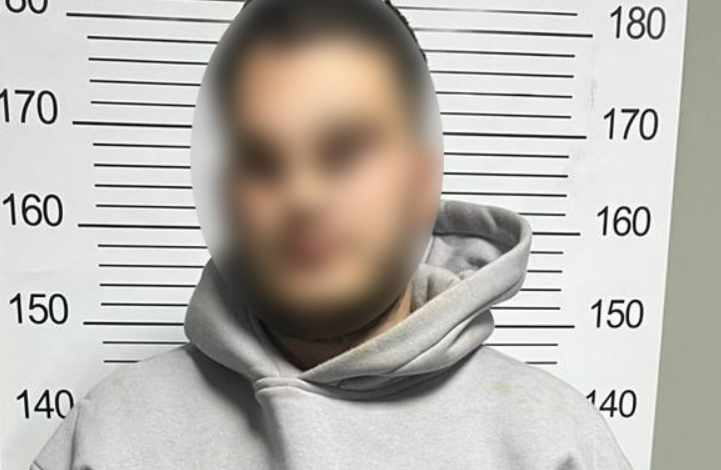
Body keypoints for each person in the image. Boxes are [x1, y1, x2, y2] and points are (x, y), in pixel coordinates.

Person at [31, 0, 633, 469]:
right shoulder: (107, 436)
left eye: (344, 151)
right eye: (262, 160)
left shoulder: (556, 440)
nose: (303, 196)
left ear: (422, 179)